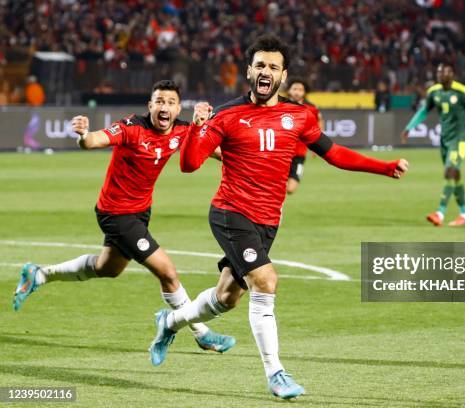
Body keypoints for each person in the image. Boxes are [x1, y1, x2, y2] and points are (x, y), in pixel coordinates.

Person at [148, 35, 408, 400]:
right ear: (249, 71)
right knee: (266, 281)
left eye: (273, 66)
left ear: (283, 76)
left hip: (268, 221)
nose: (265, 71)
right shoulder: (226, 115)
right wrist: (197, 127)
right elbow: (189, 164)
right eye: (260, 65)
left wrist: (384, 168)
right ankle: (276, 373)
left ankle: (170, 321)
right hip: (230, 212)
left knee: (227, 296)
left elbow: (334, 154)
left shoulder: (299, 116)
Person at [13, 80, 234, 354]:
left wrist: (250, 161)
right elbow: (94, 141)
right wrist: (83, 134)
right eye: (160, 102)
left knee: (108, 268)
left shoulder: (181, 131)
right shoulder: (131, 127)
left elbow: (212, 152)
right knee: (167, 272)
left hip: (140, 212)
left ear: (178, 109)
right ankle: (201, 333)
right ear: (150, 106)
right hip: (116, 214)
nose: (164, 107)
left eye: (171, 103)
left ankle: (40, 275)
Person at [401, 62, 465, 227]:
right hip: (444, 141)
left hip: (459, 140)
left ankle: (440, 213)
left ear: (452, 73)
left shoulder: (462, 92)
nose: (440, 74)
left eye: (444, 72)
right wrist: (409, 127)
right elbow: (424, 110)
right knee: (455, 177)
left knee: (450, 172)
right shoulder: (434, 92)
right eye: (438, 72)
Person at [284, 77, 324, 194]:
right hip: (282, 153)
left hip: (299, 155)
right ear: (289, 90)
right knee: (277, 187)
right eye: (294, 89)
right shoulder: (280, 105)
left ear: (305, 92)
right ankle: (276, 210)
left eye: (300, 89)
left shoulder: (311, 108)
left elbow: (319, 123)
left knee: (290, 189)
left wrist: (317, 146)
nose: (297, 92)